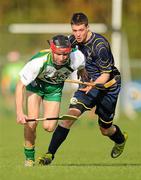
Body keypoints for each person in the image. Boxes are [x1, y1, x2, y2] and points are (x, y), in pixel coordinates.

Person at [39, 12, 128, 166]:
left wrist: (92, 85)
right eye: (74, 30)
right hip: (86, 86)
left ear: (88, 27)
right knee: (69, 117)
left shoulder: (100, 46)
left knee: (105, 129)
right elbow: (62, 53)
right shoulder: (72, 40)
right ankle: (49, 155)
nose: (77, 34)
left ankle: (120, 140)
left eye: (81, 30)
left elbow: (106, 74)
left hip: (108, 87)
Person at [15, 35, 87, 167]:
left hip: (54, 90)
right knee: (31, 123)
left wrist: (82, 70)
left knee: (49, 127)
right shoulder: (38, 62)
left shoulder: (77, 58)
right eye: (59, 54)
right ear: (52, 50)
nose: (62, 58)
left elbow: (81, 64)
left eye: (65, 54)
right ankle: (29, 158)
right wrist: (20, 112)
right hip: (36, 87)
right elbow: (20, 86)